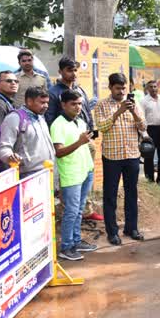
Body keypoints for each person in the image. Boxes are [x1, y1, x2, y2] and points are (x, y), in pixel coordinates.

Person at [45, 56, 101, 221]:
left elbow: (86, 113)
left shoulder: (80, 89)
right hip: (67, 142)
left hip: (85, 140)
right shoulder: (54, 93)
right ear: (60, 71)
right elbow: (50, 119)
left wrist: (90, 132)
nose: (74, 73)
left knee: (86, 175)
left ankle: (85, 211)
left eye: (75, 70)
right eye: (70, 70)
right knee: (69, 179)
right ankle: (68, 214)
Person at [94, 73, 147, 246]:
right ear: (110, 87)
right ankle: (112, 232)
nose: (121, 91)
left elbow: (143, 127)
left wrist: (133, 112)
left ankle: (132, 228)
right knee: (110, 195)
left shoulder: (134, 103)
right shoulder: (102, 105)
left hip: (132, 154)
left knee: (131, 192)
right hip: (112, 156)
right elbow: (102, 127)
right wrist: (119, 111)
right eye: (118, 88)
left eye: (124, 88)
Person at [51, 90, 97, 261]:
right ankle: (66, 247)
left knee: (79, 210)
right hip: (70, 174)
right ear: (63, 105)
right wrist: (79, 142)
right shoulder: (58, 124)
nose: (78, 107)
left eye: (79, 104)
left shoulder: (80, 121)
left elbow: (84, 145)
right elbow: (59, 152)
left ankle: (76, 241)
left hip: (85, 170)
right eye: (74, 104)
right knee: (71, 212)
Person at [0, 86, 55, 177]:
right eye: (42, 102)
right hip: (27, 175)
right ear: (29, 101)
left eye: (47, 102)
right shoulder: (15, 118)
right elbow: (3, 148)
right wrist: (10, 157)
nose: (46, 106)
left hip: (47, 172)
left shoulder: (41, 117)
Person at [140, 80, 160, 186]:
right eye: (151, 87)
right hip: (150, 130)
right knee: (148, 156)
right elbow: (141, 118)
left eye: (155, 86)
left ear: (158, 87)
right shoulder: (143, 101)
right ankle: (149, 180)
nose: (153, 89)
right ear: (147, 88)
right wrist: (144, 134)